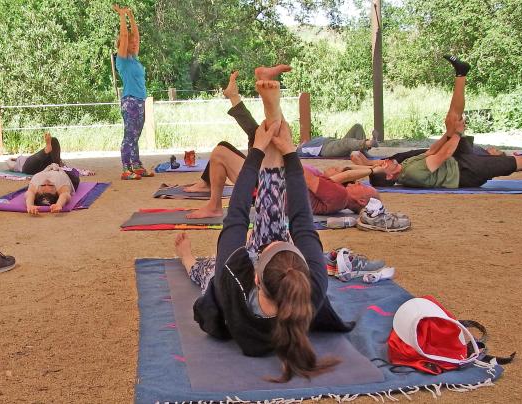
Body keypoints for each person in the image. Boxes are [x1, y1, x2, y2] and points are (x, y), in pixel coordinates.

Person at [183, 64, 355, 383]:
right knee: (273, 220)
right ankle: (272, 113)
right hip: (271, 283)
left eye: (266, 249)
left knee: (203, 271)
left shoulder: (231, 279)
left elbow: (235, 215)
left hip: (227, 291)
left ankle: (186, 256)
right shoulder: (311, 285)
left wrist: (258, 151)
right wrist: (290, 154)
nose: (267, 241)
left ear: (258, 279)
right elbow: (301, 222)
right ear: (302, 265)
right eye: (284, 244)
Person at [347, 55, 522, 189]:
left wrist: (448, 132)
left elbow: (434, 150)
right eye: (384, 166)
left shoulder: (406, 164)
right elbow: (444, 154)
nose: (388, 161)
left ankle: (461, 74)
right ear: (390, 177)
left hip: (456, 161)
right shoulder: (411, 172)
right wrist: (456, 134)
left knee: (450, 120)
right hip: (466, 172)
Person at [183, 71, 379, 219]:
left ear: (361, 200)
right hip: (273, 185)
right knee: (248, 138)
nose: (356, 183)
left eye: (362, 187)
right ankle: (245, 95)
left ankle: (214, 205)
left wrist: (283, 151)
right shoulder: (338, 194)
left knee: (228, 149)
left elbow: (303, 176)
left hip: (270, 188)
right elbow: (339, 175)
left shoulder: (339, 196)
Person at [113, 5, 153, 180]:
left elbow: (136, 35)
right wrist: (122, 16)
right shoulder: (123, 60)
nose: (135, 42)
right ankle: (126, 168)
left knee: (136, 136)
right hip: (130, 101)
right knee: (129, 135)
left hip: (140, 101)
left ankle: (136, 165)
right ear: (123, 44)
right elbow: (124, 35)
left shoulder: (135, 58)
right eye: (131, 41)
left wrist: (131, 15)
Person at [22, 134, 80, 215]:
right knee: (54, 142)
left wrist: (29, 205)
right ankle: (54, 158)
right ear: (57, 190)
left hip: (44, 168)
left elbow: (28, 194)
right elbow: (65, 195)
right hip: (63, 173)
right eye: (51, 185)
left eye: (43, 185)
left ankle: (47, 151)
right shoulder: (61, 185)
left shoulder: (35, 185)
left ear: (37, 191)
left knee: (26, 167)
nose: (47, 182)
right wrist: (59, 204)